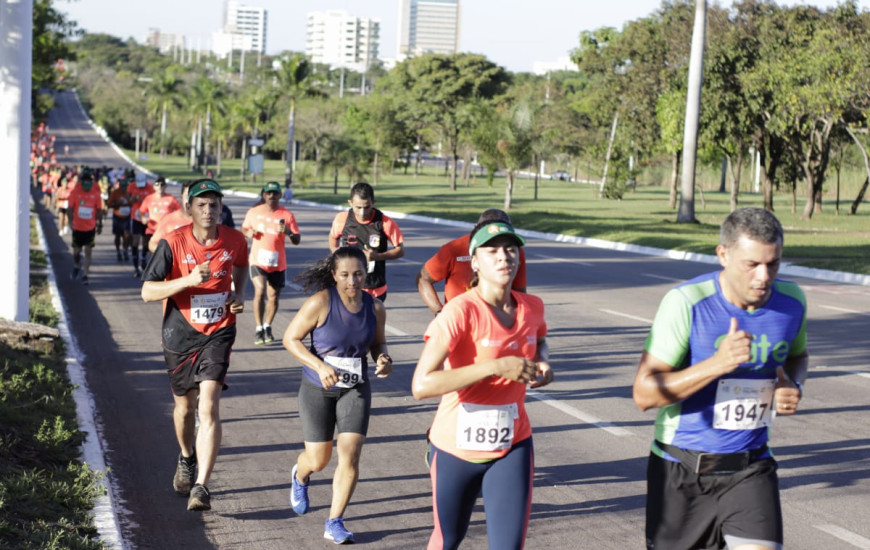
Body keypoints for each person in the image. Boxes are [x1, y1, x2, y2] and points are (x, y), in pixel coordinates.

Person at [632, 207, 808, 550]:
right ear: (723, 255)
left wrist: (793, 384)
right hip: (681, 470)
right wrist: (716, 364)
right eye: (752, 264)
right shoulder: (687, 303)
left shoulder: (792, 302)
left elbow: (798, 356)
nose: (763, 276)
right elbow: (643, 394)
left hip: (751, 468)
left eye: (773, 264)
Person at [411, 220, 554, 550]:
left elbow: (541, 338)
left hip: (512, 444)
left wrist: (544, 362)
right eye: (492, 251)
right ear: (475, 261)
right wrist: (494, 366)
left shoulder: (532, 307)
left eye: (510, 249)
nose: (504, 257)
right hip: (454, 447)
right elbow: (421, 384)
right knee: (448, 539)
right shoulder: (459, 311)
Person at [140, 179, 248, 512]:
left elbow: (242, 266)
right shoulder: (173, 242)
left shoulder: (235, 240)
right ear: (189, 209)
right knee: (185, 408)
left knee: (209, 405)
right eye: (201, 205)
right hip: (180, 333)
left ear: (221, 209)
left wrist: (239, 294)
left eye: (214, 205)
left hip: (219, 331)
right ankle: (187, 457)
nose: (208, 210)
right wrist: (188, 280)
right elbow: (147, 291)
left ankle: (201, 485)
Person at [283, 246, 393, 544]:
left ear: (365, 273)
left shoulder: (375, 307)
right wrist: (319, 366)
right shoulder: (320, 303)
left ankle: (334, 521)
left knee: (350, 454)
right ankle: (301, 475)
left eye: (358, 274)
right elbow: (290, 339)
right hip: (318, 389)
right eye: (345, 275)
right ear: (334, 275)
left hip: (355, 389)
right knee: (319, 459)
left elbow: (378, 344)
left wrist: (383, 359)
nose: (352, 281)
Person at [417, 208, 528, 315]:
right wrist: (439, 312)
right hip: (459, 320)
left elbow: (519, 293)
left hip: (497, 320)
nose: (503, 255)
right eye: (491, 249)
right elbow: (423, 279)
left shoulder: (515, 252)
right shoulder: (453, 249)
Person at [241, 181, 301, 345]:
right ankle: (259, 328)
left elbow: (297, 239)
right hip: (257, 261)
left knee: (273, 296)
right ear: (264, 195)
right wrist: (249, 232)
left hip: (277, 263)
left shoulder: (287, 215)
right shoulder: (254, 212)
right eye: (268, 193)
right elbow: (244, 229)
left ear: (280, 195)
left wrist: (289, 232)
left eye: (275, 193)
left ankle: (267, 326)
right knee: (259, 290)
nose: (271, 196)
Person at [328, 182, 404, 302]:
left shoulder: (385, 222)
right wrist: (337, 255)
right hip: (348, 287)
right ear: (350, 203)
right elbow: (333, 239)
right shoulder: (342, 219)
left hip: (374, 289)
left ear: (373, 202)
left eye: (367, 207)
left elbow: (400, 251)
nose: (362, 212)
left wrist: (377, 256)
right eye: (358, 207)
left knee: (370, 321)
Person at [66, 168, 104, 286]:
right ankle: (77, 265)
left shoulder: (96, 194)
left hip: (90, 228)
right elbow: (70, 208)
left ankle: (85, 275)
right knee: (76, 252)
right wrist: (71, 221)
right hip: (77, 228)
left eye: (89, 183)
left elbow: (99, 210)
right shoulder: (75, 193)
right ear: (81, 182)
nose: (87, 186)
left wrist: (100, 224)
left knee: (88, 251)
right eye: (85, 183)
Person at [139, 176, 181, 258]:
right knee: (149, 249)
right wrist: (143, 218)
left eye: (162, 184)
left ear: (165, 186)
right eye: (157, 184)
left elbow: (179, 212)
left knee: (163, 254)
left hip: (165, 231)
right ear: (154, 186)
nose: (160, 187)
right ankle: (144, 260)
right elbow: (142, 211)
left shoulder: (171, 199)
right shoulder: (149, 198)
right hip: (152, 229)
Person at [148, 180, 194, 253]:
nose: (190, 201)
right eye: (187, 196)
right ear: (181, 197)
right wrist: (169, 254)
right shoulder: (168, 220)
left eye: (195, 197)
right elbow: (152, 244)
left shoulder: (206, 222)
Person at [127, 173, 155, 277]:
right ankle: (135, 266)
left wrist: (144, 201)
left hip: (146, 218)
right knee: (135, 240)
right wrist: (133, 199)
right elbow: (128, 201)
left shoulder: (150, 188)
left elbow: (152, 202)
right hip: (136, 217)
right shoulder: (131, 186)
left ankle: (143, 258)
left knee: (145, 240)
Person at [106, 176, 133, 263]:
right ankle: (118, 251)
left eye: (125, 187)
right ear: (119, 186)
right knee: (117, 236)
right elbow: (109, 205)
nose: (123, 189)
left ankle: (125, 250)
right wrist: (117, 204)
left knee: (127, 236)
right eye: (122, 187)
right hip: (117, 217)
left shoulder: (129, 193)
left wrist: (132, 202)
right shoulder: (115, 193)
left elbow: (132, 204)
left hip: (127, 217)